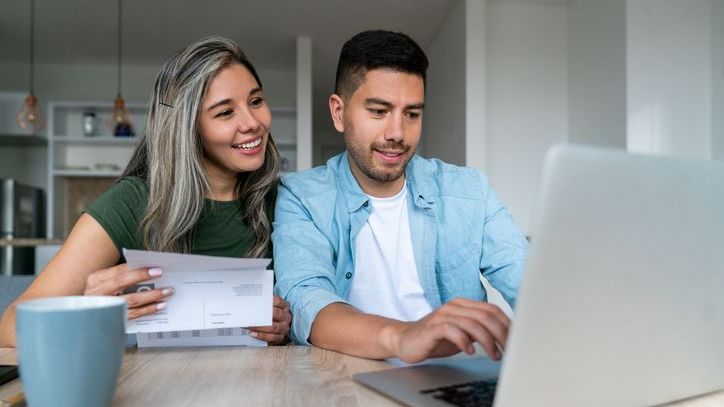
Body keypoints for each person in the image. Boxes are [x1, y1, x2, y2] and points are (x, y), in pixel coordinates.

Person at [0, 37, 291, 347]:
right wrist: (88, 313)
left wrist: (287, 326)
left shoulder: (286, 201)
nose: (253, 123)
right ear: (185, 128)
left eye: (256, 101)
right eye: (225, 113)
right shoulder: (130, 204)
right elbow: (9, 328)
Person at [272, 30, 527, 363]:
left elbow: (531, 284)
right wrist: (404, 335)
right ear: (339, 112)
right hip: (350, 379)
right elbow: (308, 301)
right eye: (378, 111)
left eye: (412, 114)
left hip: (457, 376)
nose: (397, 133)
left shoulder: (468, 191)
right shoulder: (301, 196)